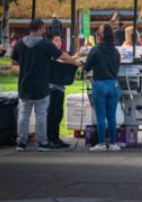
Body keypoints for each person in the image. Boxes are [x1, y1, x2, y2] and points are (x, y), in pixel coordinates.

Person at [11, 19, 81, 152]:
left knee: (23, 114)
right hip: (41, 85)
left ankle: (21, 143)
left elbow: (14, 61)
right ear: (41, 28)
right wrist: (76, 63)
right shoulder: (45, 44)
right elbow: (63, 57)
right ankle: (43, 143)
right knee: (41, 114)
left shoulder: (20, 43)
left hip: (24, 84)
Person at [83, 24, 122, 152]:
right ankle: (113, 144)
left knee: (100, 116)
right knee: (112, 116)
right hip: (114, 84)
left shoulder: (95, 50)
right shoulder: (116, 51)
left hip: (99, 84)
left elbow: (86, 67)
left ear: (100, 36)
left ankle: (100, 144)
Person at [47, 34, 75, 149]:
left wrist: (75, 58)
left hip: (60, 88)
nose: (59, 43)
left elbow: (66, 60)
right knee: (52, 114)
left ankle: (56, 138)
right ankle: (51, 138)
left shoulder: (59, 54)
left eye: (60, 40)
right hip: (52, 88)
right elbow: (63, 61)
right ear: (50, 42)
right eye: (56, 40)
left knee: (58, 114)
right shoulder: (50, 54)